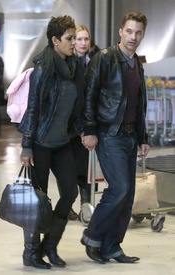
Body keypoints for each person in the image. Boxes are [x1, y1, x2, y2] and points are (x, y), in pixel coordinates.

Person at [80, 12, 150, 264]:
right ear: (120, 31)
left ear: (143, 35)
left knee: (128, 194)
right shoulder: (105, 58)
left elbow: (139, 103)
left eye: (138, 32)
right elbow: (89, 95)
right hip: (109, 135)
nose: (133, 37)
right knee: (119, 188)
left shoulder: (137, 64)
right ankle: (92, 236)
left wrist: (143, 136)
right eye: (129, 31)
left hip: (131, 136)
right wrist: (89, 130)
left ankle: (112, 246)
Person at [18, 15, 85, 269]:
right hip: (40, 143)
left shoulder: (74, 66)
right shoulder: (43, 67)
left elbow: (76, 106)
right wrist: (27, 144)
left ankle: (50, 245)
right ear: (55, 40)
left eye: (75, 37)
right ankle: (31, 252)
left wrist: (85, 131)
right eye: (69, 38)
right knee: (37, 199)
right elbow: (33, 108)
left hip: (63, 141)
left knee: (69, 192)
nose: (74, 42)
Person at [57, 24, 91, 221]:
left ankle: (85, 204)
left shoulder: (92, 62)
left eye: (86, 39)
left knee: (85, 166)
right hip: (69, 126)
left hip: (85, 123)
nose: (83, 43)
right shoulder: (67, 65)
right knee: (67, 167)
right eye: (79, 39)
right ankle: (67, 204)